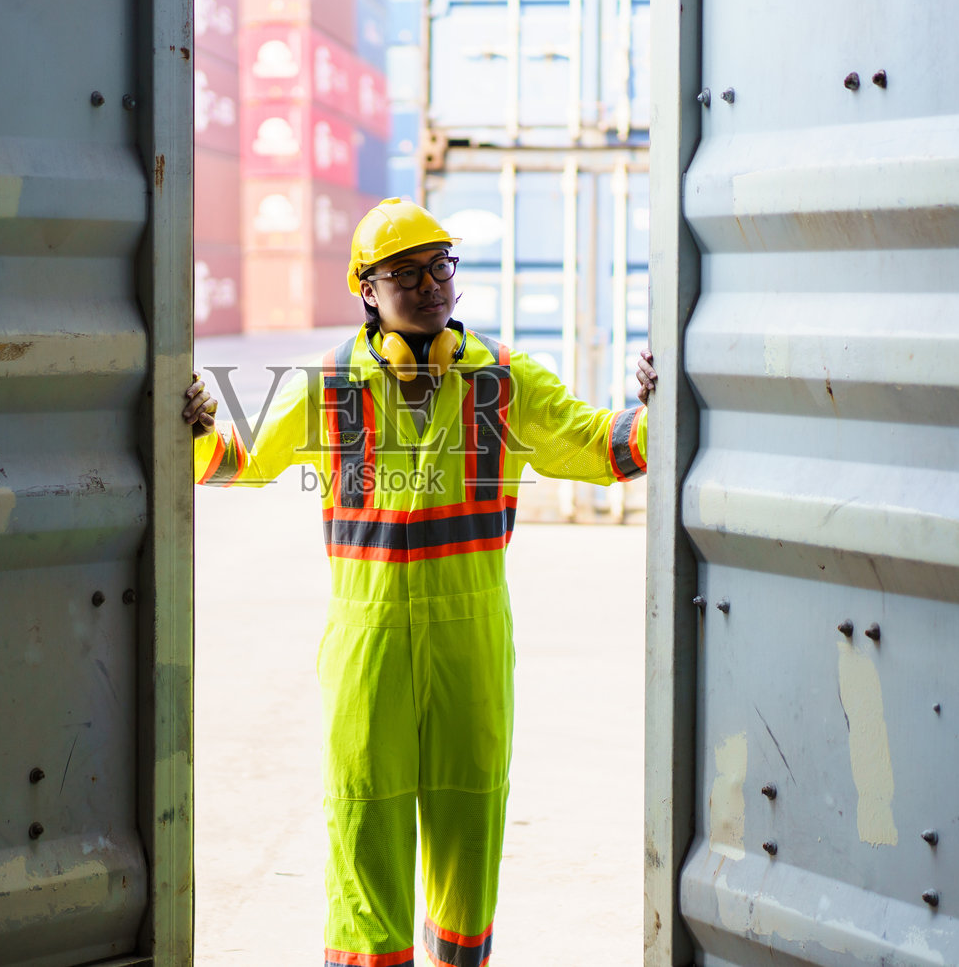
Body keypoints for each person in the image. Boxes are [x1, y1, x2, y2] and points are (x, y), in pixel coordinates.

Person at [183, 197, 657, 967]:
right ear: (366, 289)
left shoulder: (504, 379)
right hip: (365, 644)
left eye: (441, 265)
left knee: (469, 828)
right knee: (364, 825)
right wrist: (199, 424)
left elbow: (600, 446)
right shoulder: (332, 384)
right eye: (406, 272)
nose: (431, 283)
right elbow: (242, 462)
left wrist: (655, 405)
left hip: (471, 640)